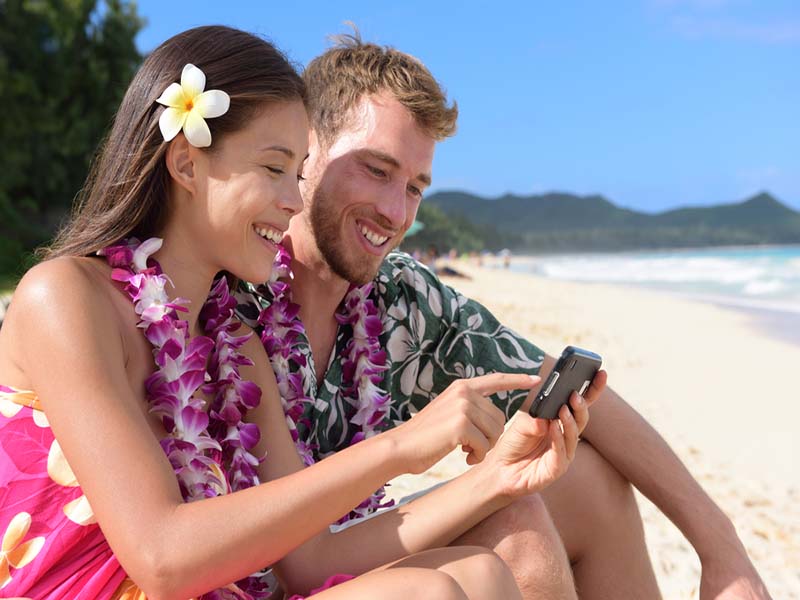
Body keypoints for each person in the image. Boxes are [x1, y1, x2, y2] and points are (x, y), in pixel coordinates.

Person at [0, 26, 594, 599]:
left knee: (481, 574)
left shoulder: (232, 346)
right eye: (273, 168)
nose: (293, 199)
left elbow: (311, 562)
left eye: (300, 171)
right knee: (427, 592)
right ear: (186, 163)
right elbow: (160, 560)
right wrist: (404, 445)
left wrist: (497, 478)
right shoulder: (65, 298)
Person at [236, 30, 771, 600]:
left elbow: (574, 389)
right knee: (517, 528)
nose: (396, 213)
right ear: (307, 147)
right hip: (260, 572)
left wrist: (722, 550)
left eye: (416, 187)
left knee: (585, 482)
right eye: (376, 169)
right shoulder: (233, 280)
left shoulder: (400, 299)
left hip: (348, 548)